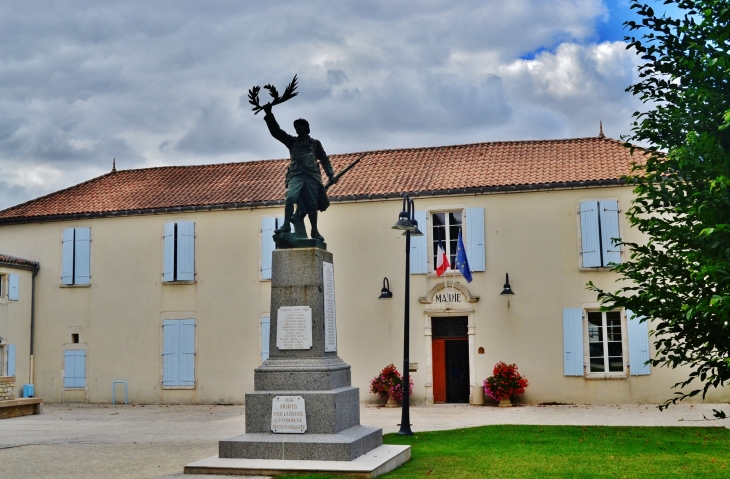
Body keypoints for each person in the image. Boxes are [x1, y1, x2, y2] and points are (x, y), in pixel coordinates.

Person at [262, 103, 335, 241]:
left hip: (312, 176)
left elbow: (324, 159)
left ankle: (314, 230)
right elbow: (276, 132)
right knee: (290, 197)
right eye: (296, 127)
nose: (298, 128)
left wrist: (330, 174)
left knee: (312, 204)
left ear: (307, 128)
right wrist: (269, 114)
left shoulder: (315, 143)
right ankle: (286, 225)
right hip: (296, 175)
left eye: (301, 126)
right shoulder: (292, 142)